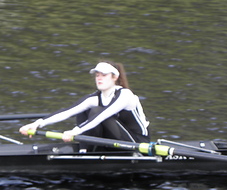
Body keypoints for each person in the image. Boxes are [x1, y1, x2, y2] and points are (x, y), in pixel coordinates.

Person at [19, 61, 150, 151]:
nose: (99, 78)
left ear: (115, 77)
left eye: (104, 75)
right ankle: (84, 151)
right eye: (97, 75)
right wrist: (37, 124)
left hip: (137, 143)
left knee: (97, 112)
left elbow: (102, 116)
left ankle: (86, 151)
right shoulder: (95, 97)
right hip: (113, 140)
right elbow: (68, 112)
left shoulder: (125, 95)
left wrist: (74, 132)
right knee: (84, 109)